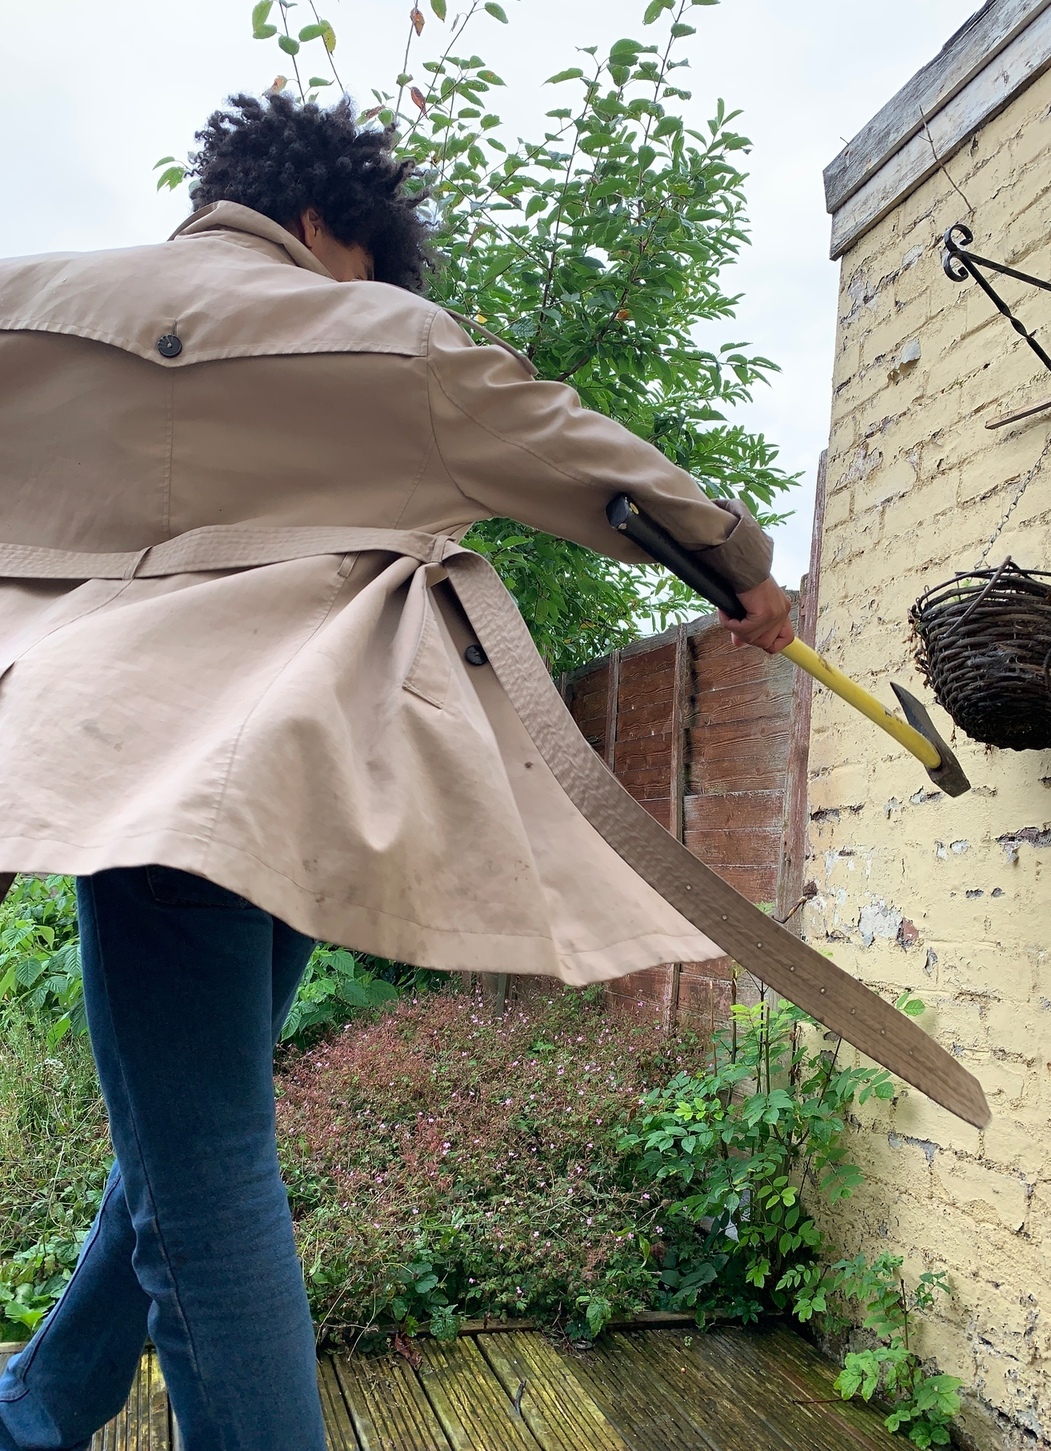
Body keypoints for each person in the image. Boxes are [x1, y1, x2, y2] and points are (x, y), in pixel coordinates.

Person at [0, 92, 792, 1450]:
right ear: (324, 221)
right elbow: (581, 453)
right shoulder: (385, 335)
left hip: (108, 756)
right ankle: (44, 1404)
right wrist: (742, 569)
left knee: (200, 1146)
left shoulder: (26, 306)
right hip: (300, 774)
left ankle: (37, 1408)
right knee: (203, 1146)